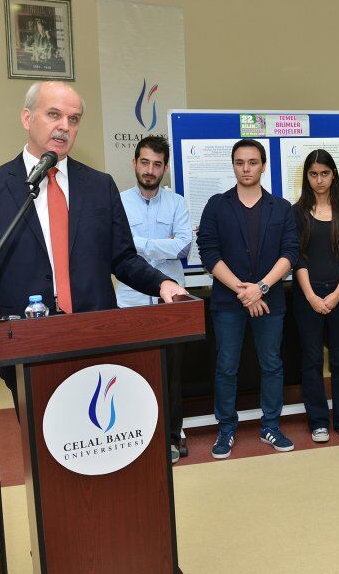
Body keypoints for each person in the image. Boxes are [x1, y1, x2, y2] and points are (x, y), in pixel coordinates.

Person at [0, 82, 187, 416]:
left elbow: (123, 258)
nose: (64, 126)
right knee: (43, 435)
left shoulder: (100, 185)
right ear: (27, 118)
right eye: (54, 114)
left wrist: (162, 283)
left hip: (96, 334)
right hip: (26, 339)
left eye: (73, 119)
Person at [196, 139, 300, 458]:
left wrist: (261, 288)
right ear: (233, 165)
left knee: (272, 364)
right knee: (227, 366)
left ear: (263, 166)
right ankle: (226, 428)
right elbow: (208, 252)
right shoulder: (217, 205)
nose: (246, 168)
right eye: (240, 162)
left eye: (252, 162)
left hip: (270, 301)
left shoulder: (281, 207)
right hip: (229, 302)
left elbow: (290, 253)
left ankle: (271, 426)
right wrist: (244, 291)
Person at [116, 135, 192, 464]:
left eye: (157, 164)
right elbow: (117, 247)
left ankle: (173, 437)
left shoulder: (177, 203)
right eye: (144, 162)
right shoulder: (118, 203)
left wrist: (139, 244)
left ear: (165, 168)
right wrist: (162, 243)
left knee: (172, 375)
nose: (150, 170)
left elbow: (183, 245)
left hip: (170, 303)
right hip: (130, 301)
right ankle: (138, 438)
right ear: (134, 163)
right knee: (133, 373)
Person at [292, 149, 339, 443]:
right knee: (311, 359)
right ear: (306, 177)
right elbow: (297, 257)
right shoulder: (296, 212)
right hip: (307, 295)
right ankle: (318, 421)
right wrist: (311, 296)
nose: (319, 180)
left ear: (334, 175)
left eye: (324, 173)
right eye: (313, 174)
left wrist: (337, 294)